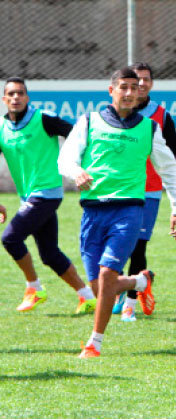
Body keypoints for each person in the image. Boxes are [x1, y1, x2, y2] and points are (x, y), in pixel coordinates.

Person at [58, 67, 176, 359]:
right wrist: (76, 172)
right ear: (111, 90)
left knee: (106, 276)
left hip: (129, 210)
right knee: (98, 284)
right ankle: (139, 282)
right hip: (92, 212)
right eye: (124, 87)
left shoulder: (149, 128)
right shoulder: (89, 121)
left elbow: (169, 169)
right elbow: (66, 158)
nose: (130, 92)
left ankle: (95, 342)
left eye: (135, 87)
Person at [0, 77, 96, 314]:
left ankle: (34, 288)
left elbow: (76, 135)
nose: (15, 98)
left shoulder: (43, 119)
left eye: (20, 93)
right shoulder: (2, 128)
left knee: (10, 238)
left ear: (27, 98)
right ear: (4, 99)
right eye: (11, 94)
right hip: (29, 196)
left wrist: (78, 167)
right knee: (49, 253)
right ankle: (87, 297)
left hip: (47, 193)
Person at [111, 62, 176, 322]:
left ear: (151, 84)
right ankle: (121, 290)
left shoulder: (162, 116)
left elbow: (173, 158)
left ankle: (129, 305)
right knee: (116, 245)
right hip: (120, 189)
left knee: (138, 246)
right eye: (136, 81)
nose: (141, 85)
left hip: (150, 190)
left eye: (145, 80)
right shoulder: (114, 115)